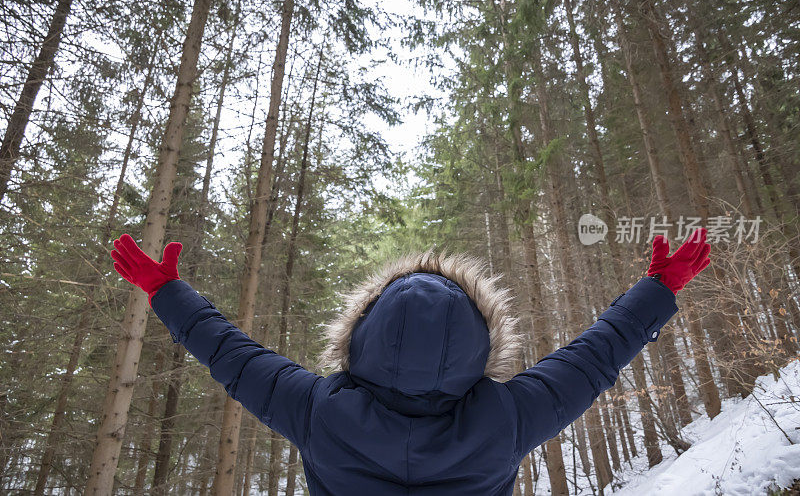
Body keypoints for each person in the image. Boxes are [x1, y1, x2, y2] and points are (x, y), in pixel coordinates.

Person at [111, 228, 710, 495]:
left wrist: (167, 291)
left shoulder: (320, 411)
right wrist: (659, 287)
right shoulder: (507, 417)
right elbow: (597, 356)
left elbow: (231, 355)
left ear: (361, 335)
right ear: (482, 344)